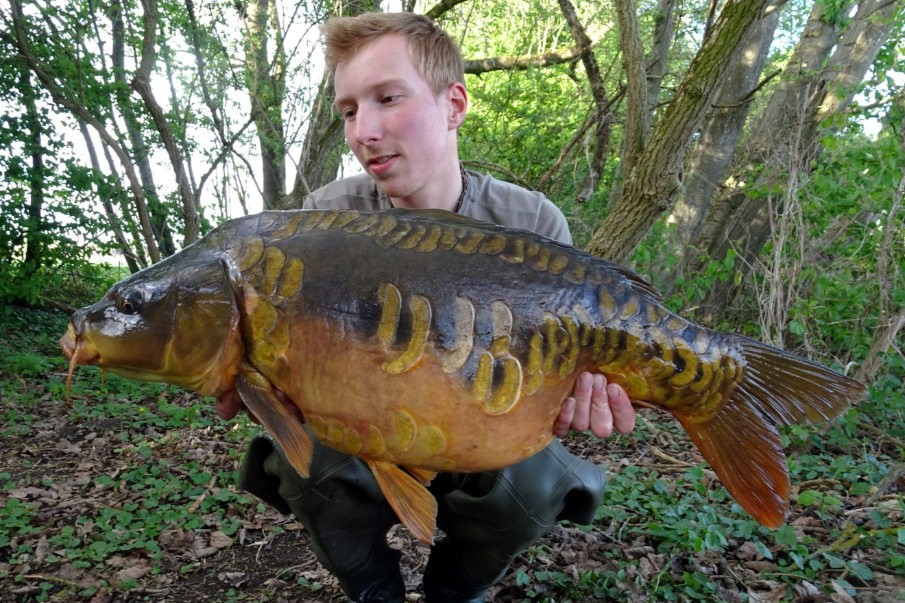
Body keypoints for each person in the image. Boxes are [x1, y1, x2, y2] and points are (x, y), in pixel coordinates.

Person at [234, 12, 636, 603]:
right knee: (305, 466)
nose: (363, 130)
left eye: (388, 98)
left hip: (485, 429)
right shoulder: (325, 222)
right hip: (367, 424)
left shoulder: (532, 226)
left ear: (454, 105)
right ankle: (373, 590)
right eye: (348, 110)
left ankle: (457, 592)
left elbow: (560, 374)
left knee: (533, 480)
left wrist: (581, 394)